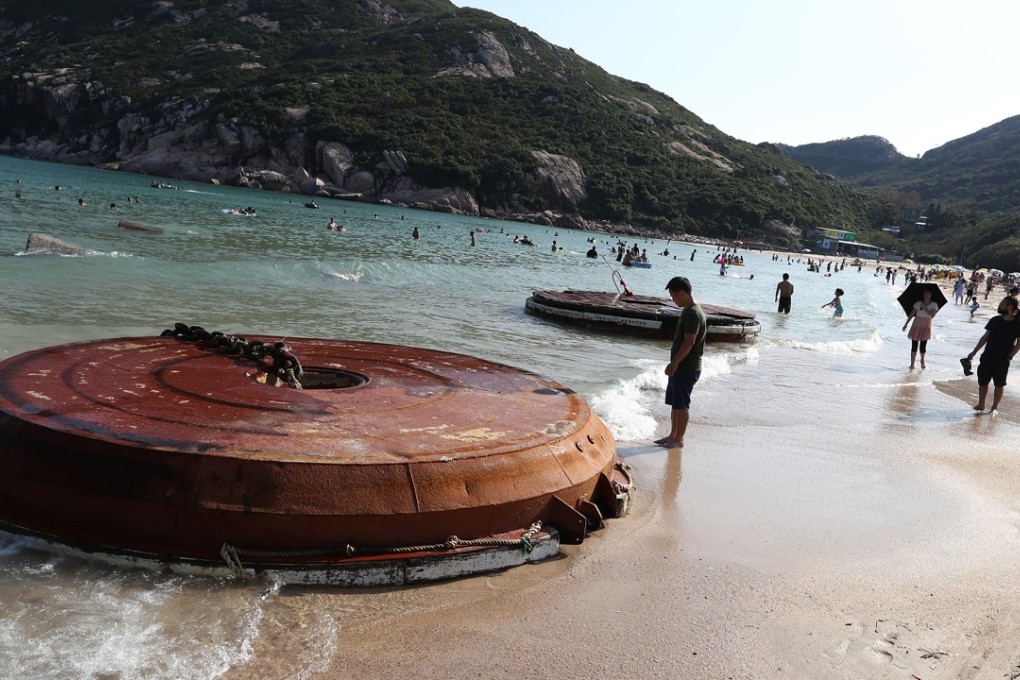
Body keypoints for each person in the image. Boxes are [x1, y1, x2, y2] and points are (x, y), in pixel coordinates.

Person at [656, 277, 707, 449]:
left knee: (682, 404)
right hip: (681, 365)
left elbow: (689, 342)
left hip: (687, 366)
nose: (673, 299)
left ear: (683, 293)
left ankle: (679, 439)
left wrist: (675, 363)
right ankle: (673, 435)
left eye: (674, 296)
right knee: (675, 403)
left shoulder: (693, 313)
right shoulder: (688, 309)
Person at [965, 296, 1020, 414]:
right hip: (987, 356)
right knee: (983, 382)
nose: (1000, 305)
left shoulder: (1017, 324)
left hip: (1003, 359)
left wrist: (1010, 356)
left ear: (1010, 306)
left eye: (1003, 303)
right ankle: (981, 404)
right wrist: (974, 352)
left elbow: (1019, 344)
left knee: (999, 384)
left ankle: (994, 407)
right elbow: (985, 337)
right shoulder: (995, 320)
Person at [902, 288, 940, 369]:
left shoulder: (934, 304)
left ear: (931, 295)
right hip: (916, 324)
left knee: (923, 346)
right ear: (923, 295)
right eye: (925, 293)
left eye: (928, 294)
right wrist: (906, 324)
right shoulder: (918, 303)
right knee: (914, 345)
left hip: (926, 325)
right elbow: (912, 314)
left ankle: (922, 360)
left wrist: (925, 307)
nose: (926, 295)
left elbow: (932, 315)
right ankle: (912, 364)